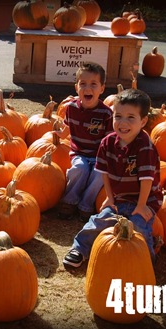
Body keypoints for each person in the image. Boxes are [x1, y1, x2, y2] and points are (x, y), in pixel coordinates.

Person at [63, 88, 163, 268]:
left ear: (143, 121)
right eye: (118, 116)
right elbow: (105, 173)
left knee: (139, 227)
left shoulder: (144, 147)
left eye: (131, 117)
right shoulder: (107, 143)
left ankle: (146, 262)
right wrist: (109, 197)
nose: (123, 123)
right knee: (99, 222)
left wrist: (141, 205)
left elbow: (147, 179)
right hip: (119, 199)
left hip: (144, 200)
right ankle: (80, 248)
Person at [58, 61, 114, 222]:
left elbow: (109, 141)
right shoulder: (71, 108)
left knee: (99, 174)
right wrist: (60, 134)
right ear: (76, 88)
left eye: (93, 84)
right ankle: (69, 200)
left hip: (99, 155)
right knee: (79, 169)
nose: (87, 88)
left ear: (102, 89)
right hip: (79, 152)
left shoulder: (106, 113)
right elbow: (67, 127)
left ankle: (86, 205)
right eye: (83, 84)